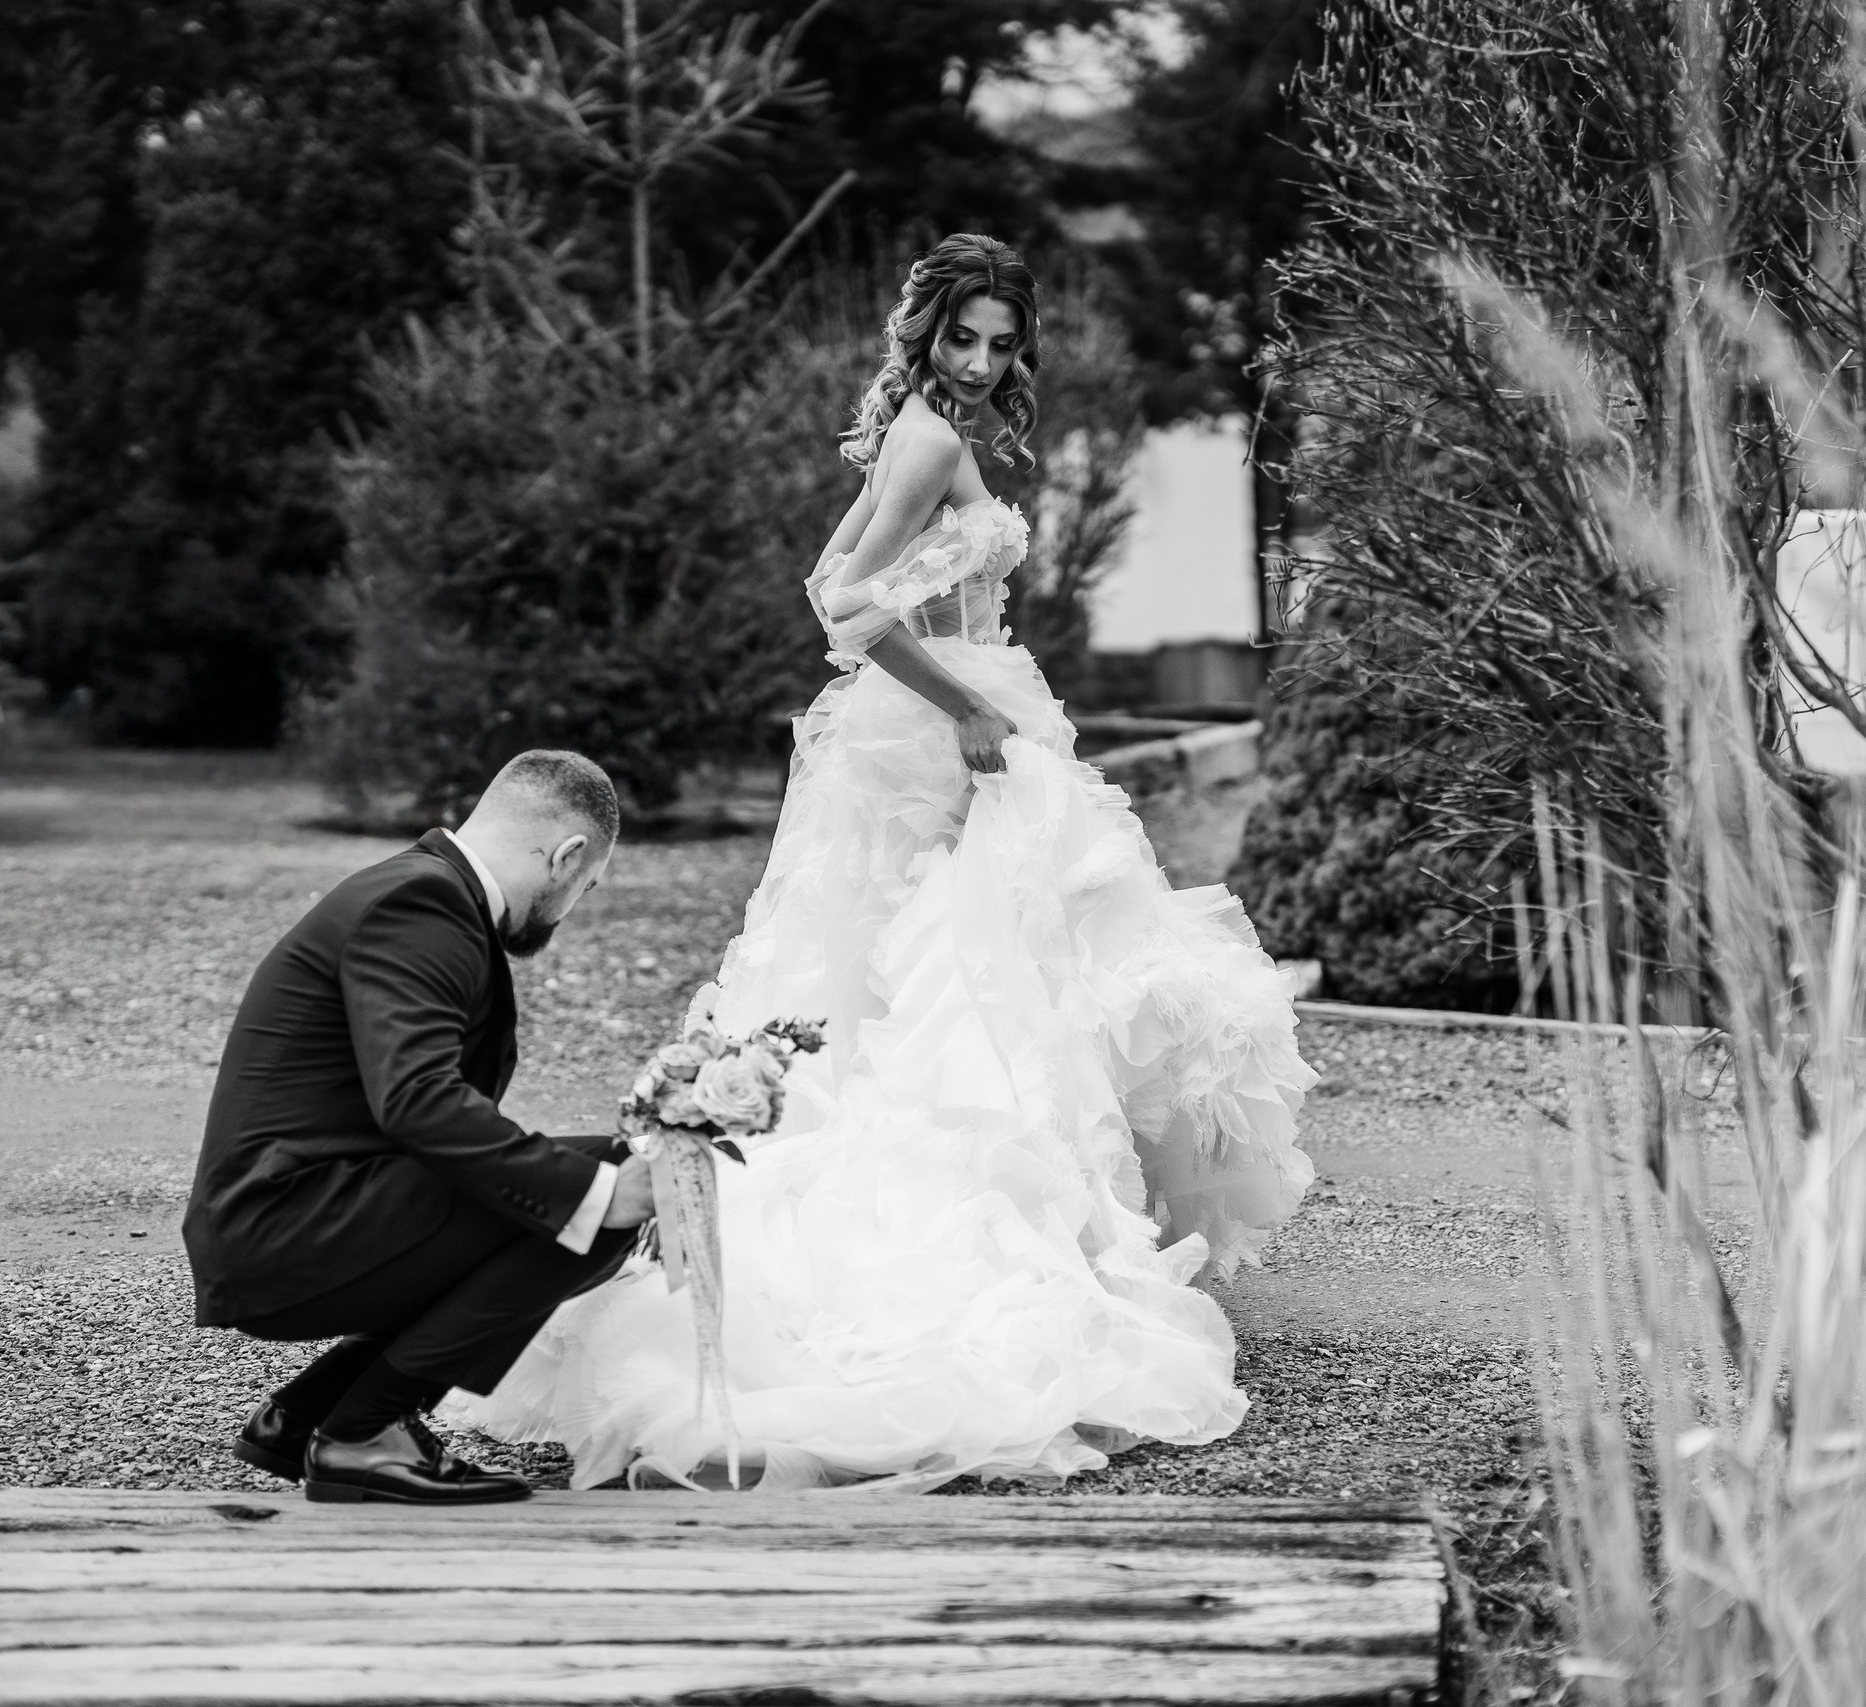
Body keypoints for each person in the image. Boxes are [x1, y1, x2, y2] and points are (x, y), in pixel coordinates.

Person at [448, 235, 1314, 1492]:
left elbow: (818, 578)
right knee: (973, 980)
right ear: (924, 336)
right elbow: (848, 606)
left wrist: (952, 685)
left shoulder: (925, 428)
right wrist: (961, 703)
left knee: (947, 978)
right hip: (944, 733)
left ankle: (1054, 1226)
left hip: (918, 730)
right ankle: (987, 1248)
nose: (980, 359)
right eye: (961, 337)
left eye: (1001, 342)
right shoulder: (927, 439)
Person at [182, 750, 656, 1504]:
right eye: (586, 886)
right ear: (568, 857)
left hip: (307, 1207)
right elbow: (419, 1100)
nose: (572, 908)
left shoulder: (427, 891)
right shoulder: (422, 904)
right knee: (597, 1197)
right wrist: (598, 1190)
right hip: (284, 1222)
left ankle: (305, 1417)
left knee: (572, 1191)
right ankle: (364, 1430)